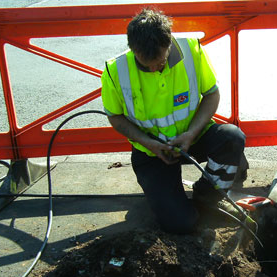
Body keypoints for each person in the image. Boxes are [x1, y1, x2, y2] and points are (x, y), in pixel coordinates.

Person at [101, 8, 248, 234]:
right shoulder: (115, 70)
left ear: (168, 44)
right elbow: (115, 117)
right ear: (132, 49)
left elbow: (212, 94)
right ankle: (171, 200)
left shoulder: (192, 50)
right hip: (151, 153)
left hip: (193, 137)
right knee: (181, 224)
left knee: (232, 138)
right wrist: (149, 143)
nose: (153, 68)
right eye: (145, 63)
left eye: (159, 62)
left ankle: (206, 195)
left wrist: (190, 133)